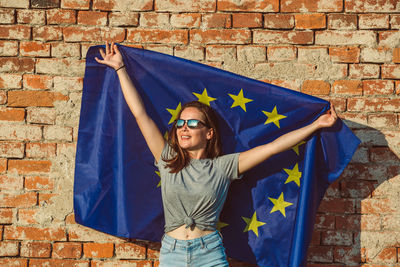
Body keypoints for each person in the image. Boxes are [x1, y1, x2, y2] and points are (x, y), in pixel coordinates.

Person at [95, 41, 338, 267]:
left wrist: (315, 125)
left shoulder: (224, 167)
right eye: (180, 124)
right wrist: (120, 69)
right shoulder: (167, 159)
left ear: (209, 133)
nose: (183, 129)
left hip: (209, 253)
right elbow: (141, 115)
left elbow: (273, 147)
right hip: (172, 254)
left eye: (192, 124)